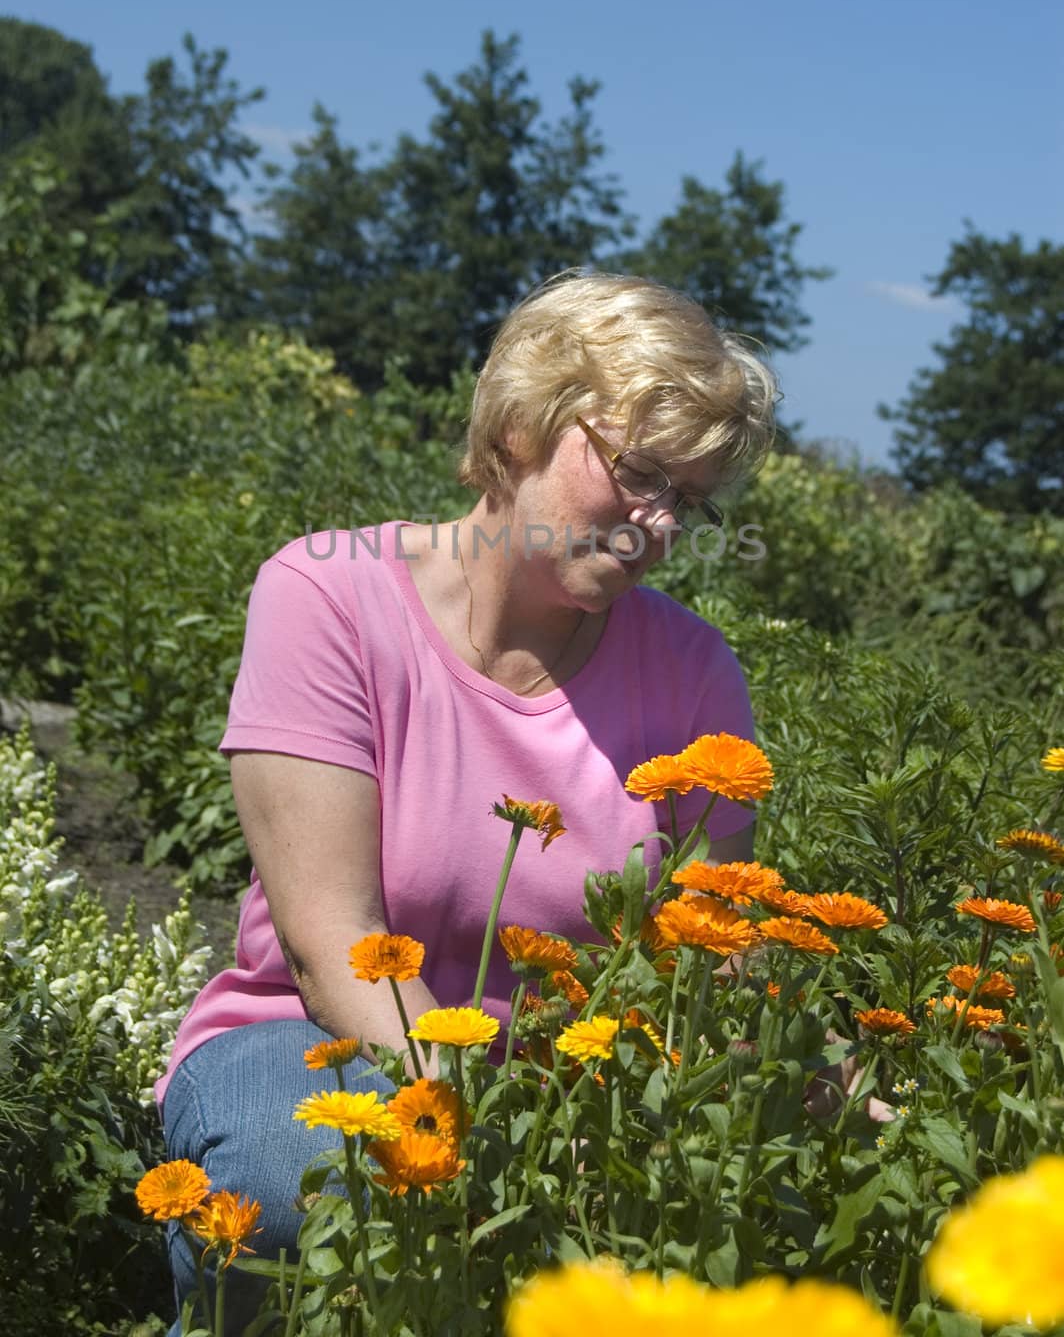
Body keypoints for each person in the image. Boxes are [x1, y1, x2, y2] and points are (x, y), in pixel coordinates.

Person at [156, 270, 777, 1332]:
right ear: (524, 420)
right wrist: (475, 1128)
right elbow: (327, 942)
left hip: (577, 1091)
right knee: (297, 1175)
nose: (657, 522)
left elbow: (719, 951)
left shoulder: (691, 668)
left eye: (689, 499)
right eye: (636, 473)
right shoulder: (328, 594)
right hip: (317, 1044)